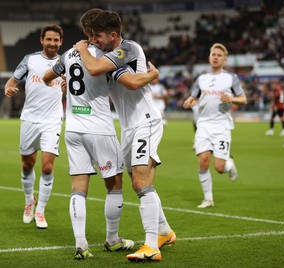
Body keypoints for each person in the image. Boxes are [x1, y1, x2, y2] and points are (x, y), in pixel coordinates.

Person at [42, 8, 149, 260]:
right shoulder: (106, 56)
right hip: (99, 129)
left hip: (73, 129)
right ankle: (112, 239)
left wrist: (64, 85)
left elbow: (47, 77)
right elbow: (129, 82)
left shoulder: (68, 53)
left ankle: (81, 244)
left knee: (78, 188)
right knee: (114, 185)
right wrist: (150, 74)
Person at [74, 10, 176, 262]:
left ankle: (152, 245)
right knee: (137, 182)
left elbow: (99, 69)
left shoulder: (128, 48)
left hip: (146, 122)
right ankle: (164, 231)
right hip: (129, 127)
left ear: (113, 35)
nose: (93, 40)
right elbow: (126, 80)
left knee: (141, 182)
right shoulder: (110, 57)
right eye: (89, 36)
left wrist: (81, 48)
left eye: (97, 36)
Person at [4, 24, 64, 229]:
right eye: (49, 39)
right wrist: (9, 89)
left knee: (47, 167)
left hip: (53, 120)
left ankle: (40, 211)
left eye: (56, 40)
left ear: (61, 42)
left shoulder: (66, 62)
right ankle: (29, 201)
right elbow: (12, 81)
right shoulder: (30, 60)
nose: (52, 43)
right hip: (30, 118)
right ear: (42, 40)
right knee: (27, 165)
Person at [183, 43, 247, 209]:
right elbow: (194, 97)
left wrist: (232, 99)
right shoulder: (201, 79)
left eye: (219, 55)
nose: (216, 57)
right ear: (209, 57)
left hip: (221, 126)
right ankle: (208, 199)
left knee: (219, 168)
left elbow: (243, 99)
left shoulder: (231, 78)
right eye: (213, 54)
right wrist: (189, 101)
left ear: (224, 59)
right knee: (203, 161)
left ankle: (229, 164)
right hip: (203, 124)